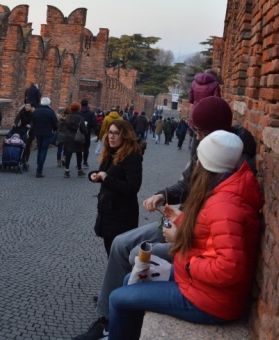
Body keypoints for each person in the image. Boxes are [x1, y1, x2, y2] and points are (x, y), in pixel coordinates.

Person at [73, 96, 256, 340]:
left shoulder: (225, 190)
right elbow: (191, 190)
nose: (197, 137)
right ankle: (112, 313)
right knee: (121, 246)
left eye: (200, 132)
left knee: (134, 256)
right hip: (190, 230)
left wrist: (182, 241)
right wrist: (165, 200)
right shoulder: (221, 171)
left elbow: (225, 262)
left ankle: (118, 314)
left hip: (200, 272)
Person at [106, 130, 262, 340]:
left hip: (211, 301)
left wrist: (184, 254)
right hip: (201, 286)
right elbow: (212, 235)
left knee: (117, 298)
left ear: (205, 165)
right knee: (129, 279)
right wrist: (179, 220)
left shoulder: (224, 205)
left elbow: (228, 269)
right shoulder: (225, 191)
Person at [89, 120, 143, 254]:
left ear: (124, 135)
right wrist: (94, 175)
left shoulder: (132, 157)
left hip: (122, 216)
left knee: (119, 258)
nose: (111, 136)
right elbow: (106, 173)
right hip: (108, 213)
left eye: (116, 133)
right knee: (112, 255)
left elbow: (132, 187)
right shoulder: (111, 152)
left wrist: (107, 178)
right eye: (110, 133)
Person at [28, 97, 59, 178]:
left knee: (39, 150)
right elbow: (55, 123)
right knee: (43, 151)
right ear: (48, 103)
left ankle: (39, 166)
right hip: (47, 133)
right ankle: (39, 170)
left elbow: (32, 121)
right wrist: (55, 130)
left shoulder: (36, 111)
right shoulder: (50, 111)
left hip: (38, 133)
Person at [63, 102, 88, 178]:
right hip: (78, 137)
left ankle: (66, 171)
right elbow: (83, 129)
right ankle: (80, 171)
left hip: (68, 136)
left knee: (68, 154)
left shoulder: (67, 117)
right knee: (79, 154)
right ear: (78, 108)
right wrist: (86, 130)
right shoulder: (80, 118)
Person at [79, 99, 99, 168]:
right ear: (87, 104)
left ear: (81, 104)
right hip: (87, 133)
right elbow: (94, 123)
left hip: (79, 133)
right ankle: (85, 162)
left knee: (79, 148)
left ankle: (78, 162)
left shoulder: (79, 112)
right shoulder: (91, 113)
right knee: (86, 148)